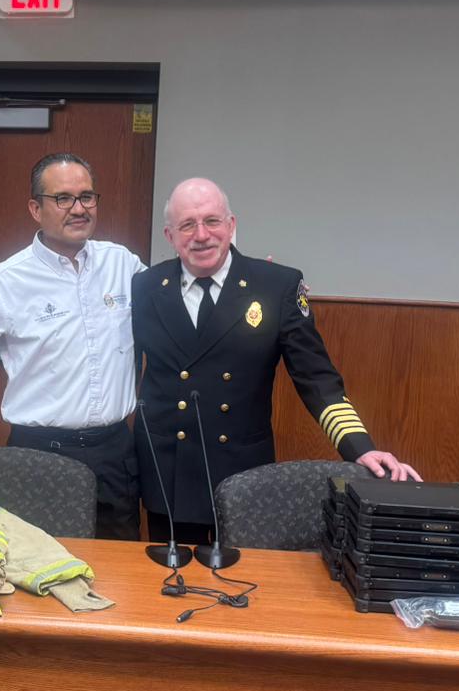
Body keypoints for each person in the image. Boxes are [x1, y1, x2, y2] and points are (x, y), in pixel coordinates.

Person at [132, 177, 418, 545]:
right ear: (170, 236)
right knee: (172, 575)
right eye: (187, 225)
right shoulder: (144, 287)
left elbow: (317, 380)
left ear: (231, 225)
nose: (201, 235)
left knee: (243, 575)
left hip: (242, 473)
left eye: (212, 221)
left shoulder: (275, 285)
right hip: (169, 470)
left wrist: (361, 448)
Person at [0, 152, 145, 540]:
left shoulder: (123, 265)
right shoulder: (7, 280)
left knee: (119, 567)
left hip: (115, 454)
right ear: (35, 209)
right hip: (40, 456)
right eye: (63, 198)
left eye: (86, 197)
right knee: (37, 566)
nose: (78, 209)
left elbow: (172, 307)